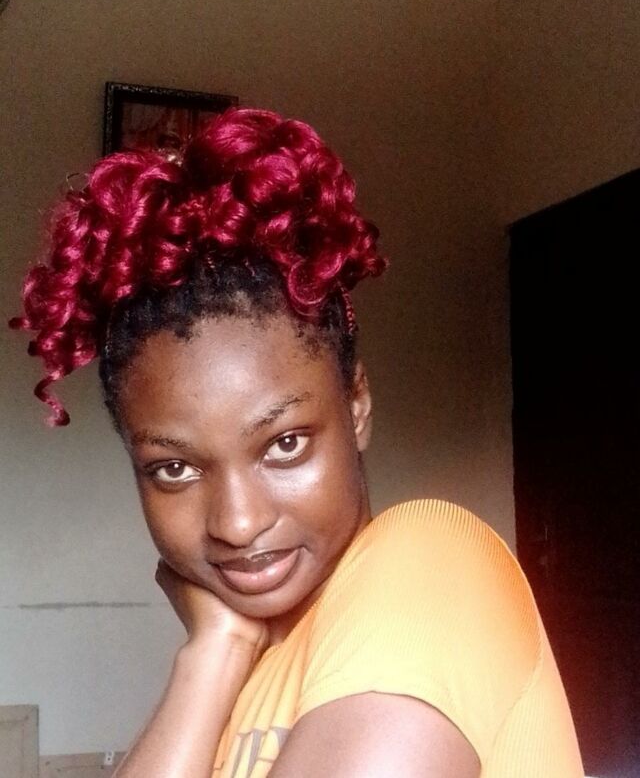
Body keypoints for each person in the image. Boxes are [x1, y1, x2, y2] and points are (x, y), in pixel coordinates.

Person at [10, 108, 583, 777]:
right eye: (174, 468)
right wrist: (215, 652)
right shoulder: (252, 659)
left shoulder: (430, 562)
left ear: (357, 403)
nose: (237, 522)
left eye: (284, 444)